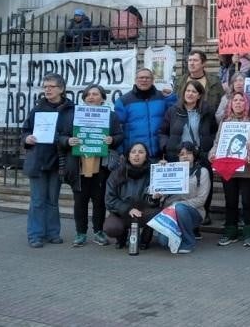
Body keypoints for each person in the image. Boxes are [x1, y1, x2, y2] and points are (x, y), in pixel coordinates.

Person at [65, 84, 124, 247]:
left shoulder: (111, 116)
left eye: (95, 94)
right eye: (88, 94)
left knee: (99, 202)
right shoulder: (74, 115)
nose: (91, 97)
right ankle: (80, 233)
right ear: (84, 99)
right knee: (80, 202)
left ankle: (98, 232)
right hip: (79, 166)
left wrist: (112, 139)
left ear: (103, 98)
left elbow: (120, 135)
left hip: (101, 166)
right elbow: (61, 136)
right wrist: (68, 140)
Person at [22, 73, 75, 248]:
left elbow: (74, 132)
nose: (47, 90)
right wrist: (27, 138)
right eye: (45, 87)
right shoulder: (37, 109)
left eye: (51, 86)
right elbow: (25, 131)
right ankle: (35, 235)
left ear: (61, 89)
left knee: (53, 200)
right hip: (38, 160)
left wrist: (67, 140)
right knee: (38, 201)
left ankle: (53, 233)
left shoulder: (72, 110)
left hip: (58, 161)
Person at [210, 91, 250, 247]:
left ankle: (249, 232)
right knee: (230, 202)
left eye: (242, 100)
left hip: (249, 170)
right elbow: (217, 142)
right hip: (229, 169)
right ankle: (230, 231)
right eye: (235, 100)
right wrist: (213, 154)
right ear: (231, 103)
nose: (238, 103)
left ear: (246, 103)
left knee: (248, 202)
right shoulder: (225, 121)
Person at [158, 80, 218, 225]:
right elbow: (163, 132)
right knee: (178, 188)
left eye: (194, 92)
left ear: (199, 95)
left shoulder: (207, 111)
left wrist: (209, 146)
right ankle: (174, 218)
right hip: (178, 155)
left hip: (200, 155)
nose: (190, 94)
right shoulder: (173, 110)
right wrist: (166, 146)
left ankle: (201, 215)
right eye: (188, 91)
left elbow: (214, 131)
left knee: (202, 185)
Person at [154, 142, 211, 254]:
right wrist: (160, 171)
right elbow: (159, 191)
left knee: (180, 208)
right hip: (170, 213)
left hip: (194, 212)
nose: (185, 156)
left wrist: (178, 205)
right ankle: (180, 233)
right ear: (178, 157)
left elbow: (201, 200)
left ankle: (189, 242)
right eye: (181, 154)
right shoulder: (171, 170)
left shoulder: (202, 172)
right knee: (163, 242)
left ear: (194, 155)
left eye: (189, 153)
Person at [104, 142, 159, 249]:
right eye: (133, 152)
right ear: (128, 156)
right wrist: (128, 209)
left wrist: (154, 198)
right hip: (122, 213)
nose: (136, 155)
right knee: (111, 227)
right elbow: (110, 200)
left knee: (158, 213)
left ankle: (145, 239)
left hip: (143, 211)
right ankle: (121, 237)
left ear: (146, 156)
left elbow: (153, 203)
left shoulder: (153, 173)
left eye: (141, 152)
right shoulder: (116, 173)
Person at [114, 68, 176, 160]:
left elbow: (175, 116)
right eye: (141, 78)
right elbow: (117, 128)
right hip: (135, 155)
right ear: (135, 80)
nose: (144, 80)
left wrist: (171, 97)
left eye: (147, 78)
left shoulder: (163, 97)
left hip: (160, 154)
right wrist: (120, 152)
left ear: (153, 80)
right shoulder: (124, 101)